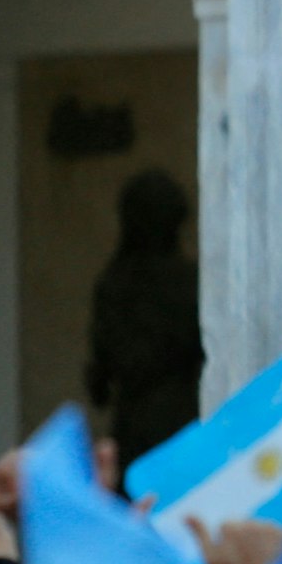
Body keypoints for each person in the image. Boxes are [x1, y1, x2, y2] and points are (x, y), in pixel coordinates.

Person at [84, 167, 204, 469]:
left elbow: (101, 377)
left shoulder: (114, 282)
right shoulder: (193, 281)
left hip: (134, 425)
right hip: (184, 419)